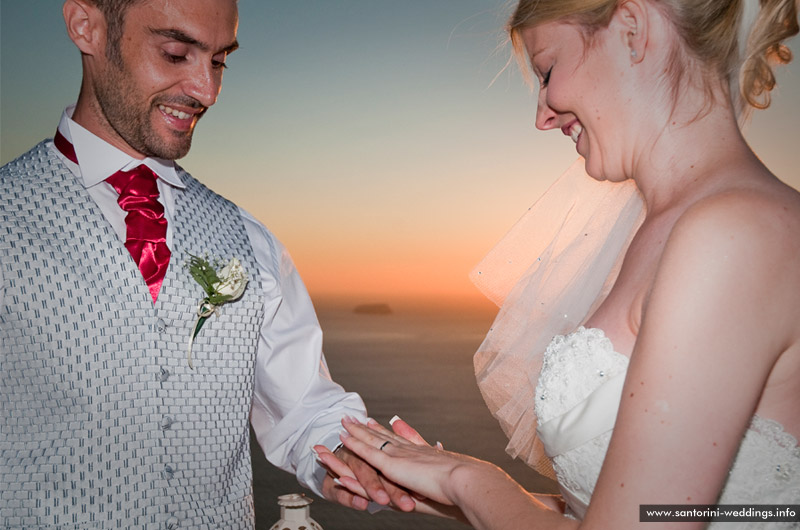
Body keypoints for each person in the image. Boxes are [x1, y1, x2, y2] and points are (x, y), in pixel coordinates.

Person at [317, 0, 800, 528]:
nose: (542, 115)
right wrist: (446, 483)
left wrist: (472, 481)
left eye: (547, 71)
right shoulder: (665, 231)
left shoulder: (731, 235)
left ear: (633, 28)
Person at [0, 0, 414, 527]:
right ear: (87, 27)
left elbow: (303, 408)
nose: (207, 91)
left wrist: (352, 455)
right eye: (176, 54)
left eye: (219, 61)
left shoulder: (249, 236)